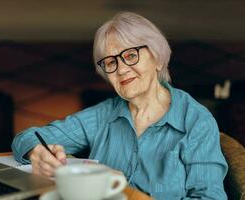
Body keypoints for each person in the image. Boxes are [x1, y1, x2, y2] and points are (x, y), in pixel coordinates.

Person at [12, 11, 228, 199]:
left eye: (131, 55)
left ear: (158, 59)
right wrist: (37, 153)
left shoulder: (196, 122)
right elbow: (26, 137)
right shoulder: (104, 114)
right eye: (110, 62)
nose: (121, 69)